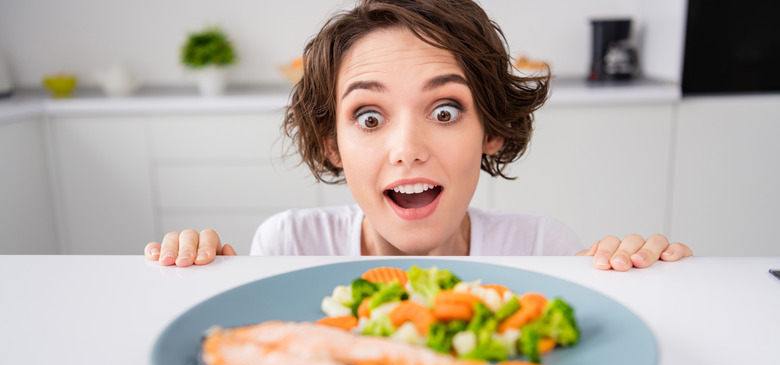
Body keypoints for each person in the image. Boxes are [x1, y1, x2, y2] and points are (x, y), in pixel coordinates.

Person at [144, 0, 691, 271]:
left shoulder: (542, 252)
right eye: (369, 117)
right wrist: (201, 278)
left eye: (446, 111)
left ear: (492, 132)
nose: (407, 149)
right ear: (331, 142)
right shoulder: (286, 249)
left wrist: (642, 278)